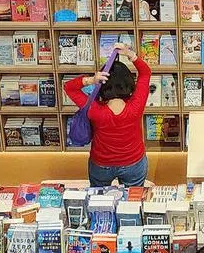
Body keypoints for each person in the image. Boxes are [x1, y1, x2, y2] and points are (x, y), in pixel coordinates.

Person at [63, 43, 151, 188]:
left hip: (101, 163)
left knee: (99, 198)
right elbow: (145, 73)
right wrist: (130, 54)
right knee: (133, 199)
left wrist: (91, 80)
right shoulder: (136, 105)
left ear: (102, 85)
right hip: (133, 162)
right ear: (129, 83)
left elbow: (69, 87)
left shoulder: (94, 109)